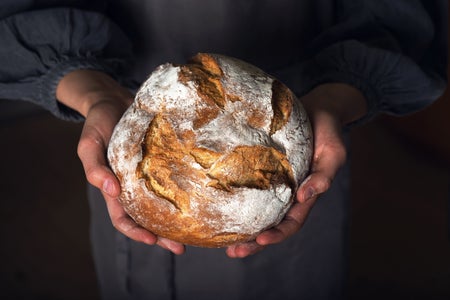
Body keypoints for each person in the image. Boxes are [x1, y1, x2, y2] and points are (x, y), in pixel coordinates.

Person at [0, 1, 447, 299]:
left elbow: (399, 11)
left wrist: (336, 96)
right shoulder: (138, 133)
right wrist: (95, 93)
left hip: (306, 139)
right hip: (130, 122)